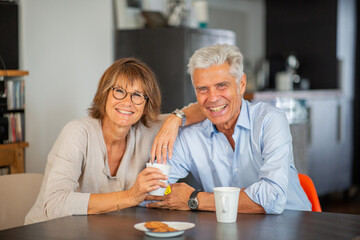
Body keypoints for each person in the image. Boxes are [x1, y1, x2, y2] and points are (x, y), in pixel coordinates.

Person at [25, 58, 204, 224]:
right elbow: (55, 204)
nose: (127, 102)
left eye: (137, 95)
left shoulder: (148, 130)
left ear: (145, 106)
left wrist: (175, 119)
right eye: (119, 91)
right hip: (48, 231)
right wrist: (131, 196)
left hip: (101, 230)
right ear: (104, 95)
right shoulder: (77, 132)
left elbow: (207, 107)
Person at [145, 44, 312, 214]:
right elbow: (151, 192)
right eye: (203, 89)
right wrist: (168, 193)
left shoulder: (270, 121)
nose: (213, 98)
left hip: (292, 224)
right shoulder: (191, 135)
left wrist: (194, 199)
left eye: (221, 86)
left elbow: (272, 198)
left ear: (241, 84)